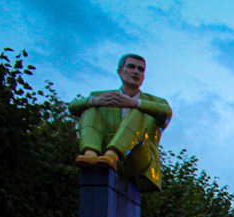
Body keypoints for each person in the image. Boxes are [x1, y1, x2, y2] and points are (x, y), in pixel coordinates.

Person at [68, 54, 172, 192]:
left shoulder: (156, 102)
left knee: (138, 113)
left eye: (141, 69)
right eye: (131, 67)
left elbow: (166, 112)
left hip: (139, 159)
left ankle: (113, 154)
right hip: (101, 158)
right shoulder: (103, 97)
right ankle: (90, 153)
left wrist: (135, 103)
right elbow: (72, 107)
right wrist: (94, 101)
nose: (136, 72)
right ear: (120, 71)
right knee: (90, 109)